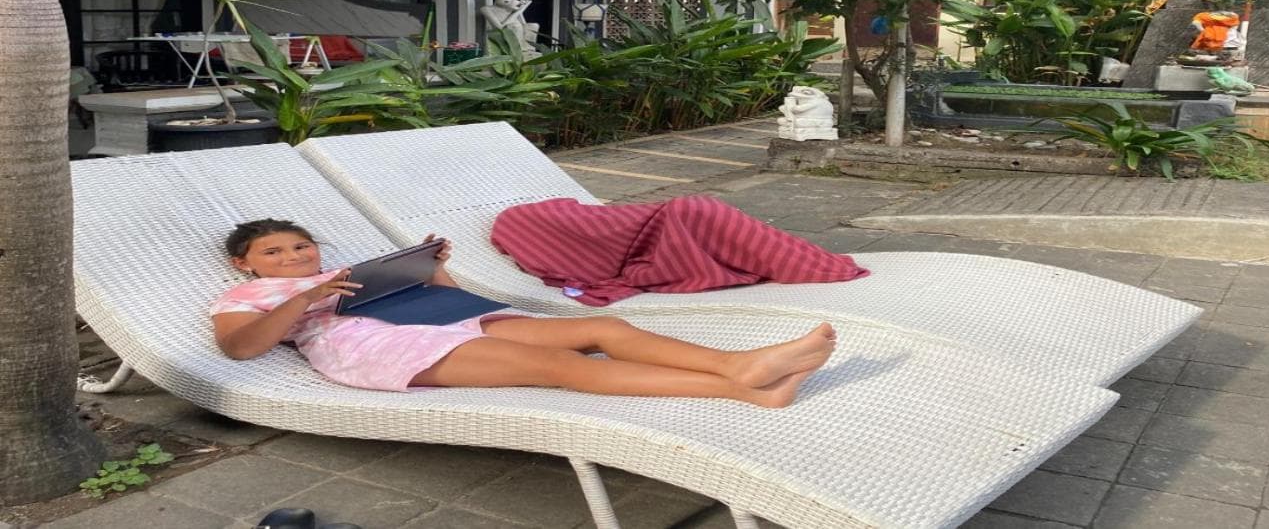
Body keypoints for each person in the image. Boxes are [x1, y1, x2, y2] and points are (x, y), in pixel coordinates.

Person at [211, 219, 835, 408]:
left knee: (602, 328)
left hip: (436, 315)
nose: (294, 257)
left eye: (301, 247)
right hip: (369, 346)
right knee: (563, 366)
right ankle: (744, 389)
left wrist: (431, 268)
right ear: (245, 265)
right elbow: (240, 348)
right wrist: (304, 298)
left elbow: (443, 296)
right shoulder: (242, 299)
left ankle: (736, 364)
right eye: (274, 253)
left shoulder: (346, 269)